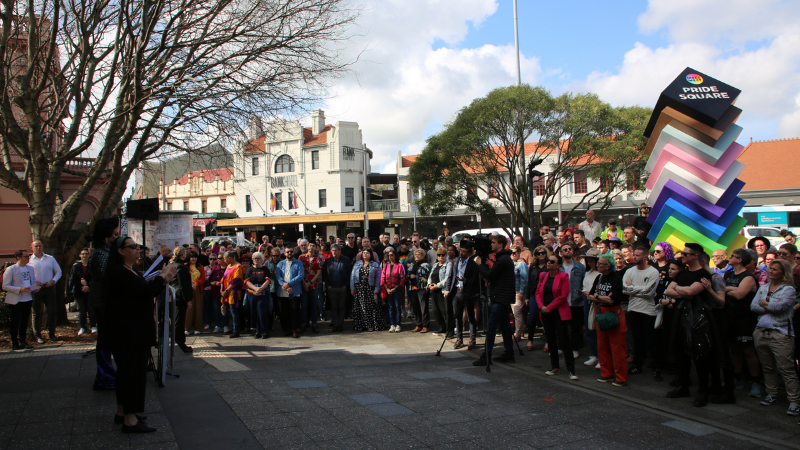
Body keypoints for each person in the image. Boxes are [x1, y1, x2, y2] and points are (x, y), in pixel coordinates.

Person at [105, 236, 177, 433]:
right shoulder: (120, 273)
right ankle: (130, 420)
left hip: (131, 331)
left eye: (137, 247)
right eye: (133, 247)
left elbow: (144, 290)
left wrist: (163, 279)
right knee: (133, 375)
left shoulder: (128, 271)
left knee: (126, 373)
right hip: (130, 333)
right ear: (121, 251)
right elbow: (145, 293)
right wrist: (163, 278)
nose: (138, 250)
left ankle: (123, 411)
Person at [665, 243, 715, 407]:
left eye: (686, 254)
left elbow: (693, 292)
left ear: (696, 256)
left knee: (700, 355)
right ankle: (683, 386)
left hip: (698, 319)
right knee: (681, 353)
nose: (682, 256)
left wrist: (680, 290)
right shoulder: (682, 274)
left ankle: (703, 390)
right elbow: (668, 291)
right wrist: (684, 290)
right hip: (680, 316)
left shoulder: (704, 274)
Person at [750, 259, 800, 416]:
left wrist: (764, 304)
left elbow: (781, 307)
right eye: (770, 269)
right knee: (767, 366)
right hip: (761, 330)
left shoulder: (789, 290)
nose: (771, 272)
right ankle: (772, 394)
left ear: (783, 273)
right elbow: (753, 306)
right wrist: (770, 304)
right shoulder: (764, 287)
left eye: (775, 270)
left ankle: (794, 401)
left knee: (786, 369)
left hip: (780, 332)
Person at [473, 235, 517, 366]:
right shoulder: (503, 258)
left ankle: (486, 356)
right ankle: (509, 353)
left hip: (500, 297)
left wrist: (480, 264)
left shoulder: (503, 260)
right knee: (505, 326)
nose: (491, 245)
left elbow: (488, 276)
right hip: (501, 297)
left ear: (501, 245)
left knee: (491, 326)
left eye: (493, 243)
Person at [724, 248, 761, 398]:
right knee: (734, 349)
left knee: (748, 350)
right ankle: (737, 377)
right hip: (730, 317)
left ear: (740, 260)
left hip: (745, 318)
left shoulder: (749, 276)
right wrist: (730, 289)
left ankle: (755, 381)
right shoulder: (728, 274)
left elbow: (740, 295)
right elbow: (721, 290)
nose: (730, 258)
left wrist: (727, 289)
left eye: (732, 256)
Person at [89, 217, 120, 390]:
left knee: (106, 339)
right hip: (102, 301)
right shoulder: (101, 255)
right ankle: (105, 376)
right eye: (115, 234)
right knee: (105, 340)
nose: (117, 237)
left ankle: (106, 374)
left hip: (105, 301)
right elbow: (109, 278)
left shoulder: (106, 253)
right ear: (106, 237)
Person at [536, 252, 577, 378]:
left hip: (558, 312)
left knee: (564, 340)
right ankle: (555, 367)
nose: (549, 262)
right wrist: (541, 306)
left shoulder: (564, 276)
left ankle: (571, 369)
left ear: (558, 265)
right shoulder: (543, 275)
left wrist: (548, 307)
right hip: (545, 312)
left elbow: (563, 296)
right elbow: (537, 292)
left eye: (552, 261)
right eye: (549, 261)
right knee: (551, 340)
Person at [589, 254, 628, 387]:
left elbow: (614, 299)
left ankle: (621, 377)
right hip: (601, 313)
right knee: (602, 345)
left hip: (614, 313)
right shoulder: (599, 277)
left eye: (600, 263)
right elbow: (590, 295)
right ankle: (606, 373)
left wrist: (597, 297)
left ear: (607, 266)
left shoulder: (616, 278)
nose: (597, 265)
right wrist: (602, 298)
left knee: (617, 347)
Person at [622, 248, 660, 375]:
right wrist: (641, 289)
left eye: (638, 255)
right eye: (635, 255)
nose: (635, 257)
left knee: (652, 340)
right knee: (637, 338)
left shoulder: (653, 272)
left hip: (648, 310)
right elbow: (624, 289)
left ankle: (657, 367)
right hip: (633, 309)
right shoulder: (629, 271)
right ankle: (637, 365)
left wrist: (633, 288)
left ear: (645, 257)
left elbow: (649, 293)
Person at [29, 240, 62, 343]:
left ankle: (51, 333)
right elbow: (25, 274)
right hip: (36, 289)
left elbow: (58, 271)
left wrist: (53, 281)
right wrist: (34, 282)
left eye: (40, 246)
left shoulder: (50, 258)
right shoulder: (29, 260)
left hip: (49, 288)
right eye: (36, 246)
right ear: (32, 248)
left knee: (52, 311)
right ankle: (38, 335)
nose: (38, 248)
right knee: (37, 313)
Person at [3, 249, 37, 349]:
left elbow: (33, 281)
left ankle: (23, 341)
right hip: (16, 300)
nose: (28, 258)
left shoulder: (30, 268)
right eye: (26, 256)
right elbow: (5, 286)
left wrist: (34, 288)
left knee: (24, 321)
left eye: (28, 256)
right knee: (15, 321)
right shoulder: (11, 269)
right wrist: (20, 289)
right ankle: (14, 342)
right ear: (19, 258)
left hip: (27, 299)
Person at [449, 242, 480, 349]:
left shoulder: (473, 265)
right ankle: (459, 338)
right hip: (457, 291)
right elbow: (450, 277)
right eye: (460, 251)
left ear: (469, 253)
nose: (461, 253)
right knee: (457, 316)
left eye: (464, 252)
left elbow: (476, 280)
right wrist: (449, 290)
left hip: (467, 292)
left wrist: (465, 280)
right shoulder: (455, 262)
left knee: (470, 316)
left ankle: (472, 339)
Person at [350, 249, 383, 332]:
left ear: (371, 255)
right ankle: (360, 325)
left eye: (367, 253)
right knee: (359, 308)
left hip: (370, 288)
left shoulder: (375, 265)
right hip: (359, 288)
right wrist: (352, 288)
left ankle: (370, 325)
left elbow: (378, 278)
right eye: (363, 253)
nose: (365, 254)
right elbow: (353, 276)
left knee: (370, 308)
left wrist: (376, 289)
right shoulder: (357, 264)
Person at [168, 247, 193, 352]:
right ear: (182, 254)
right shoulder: (181, 267)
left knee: (175, 320)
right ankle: (180, 341)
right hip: (179, 297)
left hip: (172, 296)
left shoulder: (171, 265)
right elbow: (183, 285)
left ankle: (178, 339)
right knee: (179, 320)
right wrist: (187, 299)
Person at [526, 245, 550, 351]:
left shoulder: (549, 265)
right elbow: (529, 282)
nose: (541, 255)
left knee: (546, 319)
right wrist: (527, 297)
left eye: (543, 253)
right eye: (538, 253)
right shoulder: (533, 266)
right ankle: (530, 339)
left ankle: (548, 341)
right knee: (532, 318)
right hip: (534, 294)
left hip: (546, 294)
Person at [579, 249, 601, 367]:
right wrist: (583, 292)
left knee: (599, 330)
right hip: (587, 302)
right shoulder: (588, 273)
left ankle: (601, 356)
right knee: (589, 329)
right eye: (587, 261)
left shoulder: (601, 274)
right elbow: (584, 285)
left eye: (591, 260)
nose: (589, 263)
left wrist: (591, 293)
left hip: (598, 303)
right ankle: (594, 354)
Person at [276, 247, 304, 338]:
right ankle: (286, 329)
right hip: (283, 291)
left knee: (294, 311)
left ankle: (294, 329)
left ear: (294, 252)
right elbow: (278, 276)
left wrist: (289, 284)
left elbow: (300, 275)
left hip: (294, 290)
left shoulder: (298, 263)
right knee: (284, 311)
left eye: (291, 251)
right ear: (284, 253)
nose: (289, 253)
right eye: (287, 252)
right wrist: (285, 285)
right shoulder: (280, 264)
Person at [322, 244, 350, 332]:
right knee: (333, 307)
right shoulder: (327, 261)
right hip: (332, 287)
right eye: (333, 250)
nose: (334, 252)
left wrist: (345, 285)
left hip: (342, 287)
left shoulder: (345, 260)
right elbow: (324, 275)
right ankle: (335, 323)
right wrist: (328, 285)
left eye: (336, 250)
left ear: (339, 251)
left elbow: (349, 273)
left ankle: (340, 323)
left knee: (341, 306)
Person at [245, 252, 272, 339]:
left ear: (262, 260)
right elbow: (247, 281)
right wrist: (255, 289)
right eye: (255, 258)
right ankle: (257, 330)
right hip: (252, 293)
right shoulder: (250, 270)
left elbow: (268, 280)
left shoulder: (265, 269)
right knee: (254, 312)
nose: (256, 260)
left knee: (262, 312)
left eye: (258, 258)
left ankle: (264, 331)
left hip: (263, 293)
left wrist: (260, 289)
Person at [70, 247, 96, 335]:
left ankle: (93, 326)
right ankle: (82, 327)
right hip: (79, 292)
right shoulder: (76, 266)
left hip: (90, 291)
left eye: (86, 254)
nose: (84, 256)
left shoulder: (92, 266)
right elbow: (74, 279)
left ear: (89, 255)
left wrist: (88, 286)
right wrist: (82, 286)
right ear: (80, 255)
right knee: (82, 310)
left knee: (91, 309)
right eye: (83, 254)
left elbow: (95, 279)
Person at [300, 242, 324, 333]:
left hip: (314, 285)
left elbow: (318, 273)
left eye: (313, 246)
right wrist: (304, 283)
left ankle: (314, 324)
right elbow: (300, 271)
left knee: (314, 306)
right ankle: (303, 324)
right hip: (303, 284)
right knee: (304, 306)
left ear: (316, 248)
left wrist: (310, 283)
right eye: (310, 245)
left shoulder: (318, 258)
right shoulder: (301, 257)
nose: (311, 247)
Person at [428, 247, 452, 336]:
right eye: (439, 255)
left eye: (443, 255)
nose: (441, 257)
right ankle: (441, 327)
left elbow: (447, 279)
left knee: (445, 311)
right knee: (436, 310)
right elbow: (430, 277)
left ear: (446, 256)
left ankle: (449, 329)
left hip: (442, 290)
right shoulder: (435, 265)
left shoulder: (448, 265)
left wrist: (437, 285)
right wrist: (429, 284)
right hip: (434, 291)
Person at [220, 251, 245, 338]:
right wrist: (222, 289)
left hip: (233, 293)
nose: (225, 261)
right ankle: (233, 328)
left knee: (234, 312)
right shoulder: (228, 266)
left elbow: (236, 281)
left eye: (225, 259)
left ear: (230, 258)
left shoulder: (238, 267)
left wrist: (227, 290)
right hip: (226, 292)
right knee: (230, 311)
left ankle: (236, 330)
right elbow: (223, 278)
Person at [406, 249, 431, 332]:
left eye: (418, 254)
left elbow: (430, 276)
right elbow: (407, 274)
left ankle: (425, 325)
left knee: (423, 307)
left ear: (423, 256)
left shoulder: (426, 265)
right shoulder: (412, 264)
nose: (416, 256)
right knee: (415, 307)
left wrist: (428, 286)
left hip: (422, 288)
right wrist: (409, 276)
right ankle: (418, 324)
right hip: (413, 288)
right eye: (415, 254)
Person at [381, 247, 405, 333]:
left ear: (395, 256)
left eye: (392, 255)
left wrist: (395, 288)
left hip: (397, 289)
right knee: (391, 307)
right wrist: (387, 288)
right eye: (389, 255)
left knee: (397, 306)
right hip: (388, 289)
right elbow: (383, 277)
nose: (390, 257)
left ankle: (398, 324)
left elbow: (401, 277)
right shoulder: (386, 265)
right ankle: (392, 324)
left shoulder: (399, 265)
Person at [510, 245, 529, 343]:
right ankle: (520, 331)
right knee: (516, 313)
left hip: (518, 291)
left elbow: (524, 279)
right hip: (512, 291)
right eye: (511, 253)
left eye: (514, 253)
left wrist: (522, 292)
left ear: (518, 253)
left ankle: (518, 334)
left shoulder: (521, 264)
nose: (512, 255)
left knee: (517, 312)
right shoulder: (512, 263)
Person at [184, 251, 205, 336]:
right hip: (188, 289)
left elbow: (203, 278)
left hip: (197, 289)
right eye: (192, 257)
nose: (194, 259)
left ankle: (197, 328)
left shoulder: (200, 267)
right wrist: (190, 284)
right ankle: (187, 328)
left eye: (195, 257)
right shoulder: (185, 266)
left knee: (198, 308)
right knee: (188, 309)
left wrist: (196, 283)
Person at [204, 252, 224, 332]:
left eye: (214, 259)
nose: (212, 260)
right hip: (208, 290)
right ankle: (208, 323)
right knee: (208, 307)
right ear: (208, 260)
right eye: (211, 259)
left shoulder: (219, 267)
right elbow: (206, 279)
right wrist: (211, 282)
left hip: (218, 290)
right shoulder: (205, 268)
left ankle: (220, 324)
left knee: (218, 308)